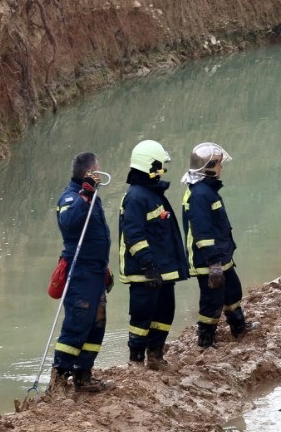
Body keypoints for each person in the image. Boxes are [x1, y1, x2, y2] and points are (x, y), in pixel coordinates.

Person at [119, 140, 189, 370]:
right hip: (146, 273)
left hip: (163, 270)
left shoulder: (152, 194)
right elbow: (133, 235)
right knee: (141, 317)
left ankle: (156, 356)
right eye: (159, 166)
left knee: (164, 313)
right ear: (149, 165)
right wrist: (148, 264)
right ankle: (136, 360)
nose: (162, 170)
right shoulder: (136, 197)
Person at [181, 142, 256, 348]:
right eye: (219, 164)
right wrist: (213, 262)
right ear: (209, 167)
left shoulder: (206, 190)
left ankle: (239, 327)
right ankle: (205, 341)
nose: (221, 168)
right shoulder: (200, 194)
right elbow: (202, 233)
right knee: (211, 300)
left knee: (232, 291)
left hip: (221, 255)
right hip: (209, 259)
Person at [50, 152, 113, 393]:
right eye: (98, 169)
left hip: (95, 270)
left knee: (97, 324)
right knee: (77, 324)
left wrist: (103, 267)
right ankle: (58, 380)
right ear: (89, 173)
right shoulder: (70, 197)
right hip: (79, 272)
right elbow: (68, 222)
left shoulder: (93, 197)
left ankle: (83, 375)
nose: (100, 173)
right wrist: (85, 194)